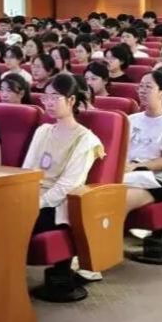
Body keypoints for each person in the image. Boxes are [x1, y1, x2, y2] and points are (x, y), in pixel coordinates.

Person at [26, 73, 106, 302]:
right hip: (31, 195)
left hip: (57, 204)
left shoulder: (86, 140)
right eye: (46, 97)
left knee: (11, 223)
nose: (48, 102)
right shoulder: (43, 131)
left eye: (55, 97)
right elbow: (27, 170)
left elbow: (68, 186)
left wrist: (36, 203)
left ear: (71, 100)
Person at [122, 67, 162, 212]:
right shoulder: (131, 119)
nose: (142, 91)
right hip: (127, 173)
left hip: (156, 180)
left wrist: (136, 166)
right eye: (141, 86)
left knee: (119, 200)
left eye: (148, 87)